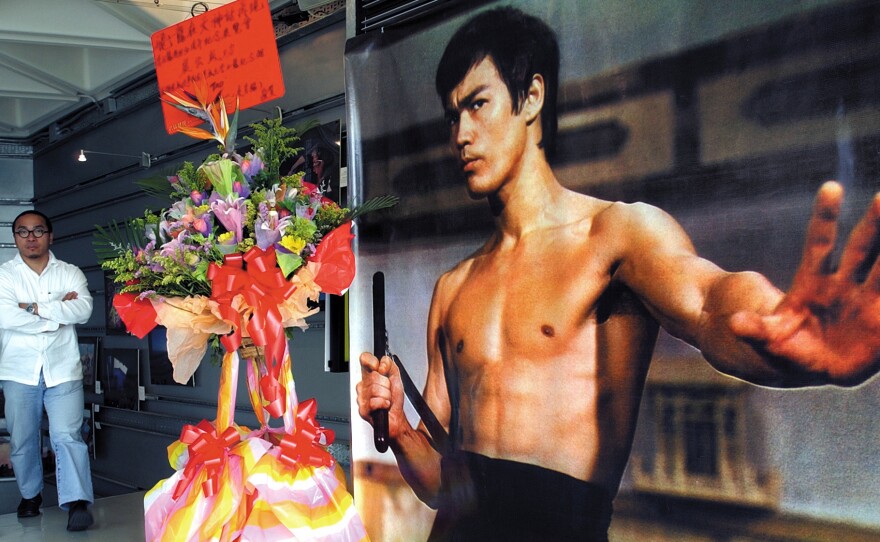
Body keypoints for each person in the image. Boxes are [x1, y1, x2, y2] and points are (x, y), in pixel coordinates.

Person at [356, 7, 880, 542]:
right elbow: (443, 487)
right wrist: (398, 431)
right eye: (452, 115)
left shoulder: (615, 235)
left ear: (532, 96)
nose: (461, 134)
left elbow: (707, 300)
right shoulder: (453, 287)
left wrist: (783, 322)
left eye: (478, 104)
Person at [0, 210, 95, 531]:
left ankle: (78, 502)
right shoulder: (5, 276)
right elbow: (6, 317)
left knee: (67, 436)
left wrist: (32, 307)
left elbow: (83, 309)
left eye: (38, 231)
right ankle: (30, 495)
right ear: (15, 237)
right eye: (23, 232)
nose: (30, 238)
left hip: (63, 370)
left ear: (50, 236)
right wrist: (57, 314)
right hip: (18, 371)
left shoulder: (69, 273)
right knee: (22, 438)